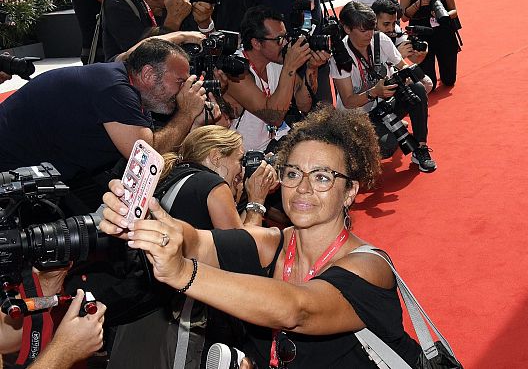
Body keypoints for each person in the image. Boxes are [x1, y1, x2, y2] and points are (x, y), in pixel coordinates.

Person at [98, 106, 423, 367]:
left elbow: (297, 309)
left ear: (351, 191)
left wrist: (184, 272)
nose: (303, 188)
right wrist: (158, 224)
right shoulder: (269, 243)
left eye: (323, 177)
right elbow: (197, 242)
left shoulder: (370, 267)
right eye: (293, 173)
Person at [107, 125, 278, 369]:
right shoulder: (213, 184)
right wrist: (257, 201)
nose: (242, 170)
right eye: (239, 160)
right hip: (181, 315)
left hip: (142, 308)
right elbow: (243, 255)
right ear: (217, 156)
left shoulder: (171, 176)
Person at [0, 38, 211, 214]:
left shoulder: (124, 80)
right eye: (180, 81)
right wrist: (186, 113)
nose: (185, 90)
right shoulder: (113, 88)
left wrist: (195, 122)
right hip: (12, 172)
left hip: (50, 173)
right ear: (147, 74)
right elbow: (146, 156)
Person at [331, 1, 436, 173]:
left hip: (384, 105)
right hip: (357, 117)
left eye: (371, 28)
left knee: (417, 89)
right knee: (387, 147)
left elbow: (403, 66)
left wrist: (417, 76)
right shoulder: (340, 55)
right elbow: (348, 102)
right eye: (363, 30)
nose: (369, 35)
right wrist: (374, 92)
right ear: (347, 29)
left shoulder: (380, 39)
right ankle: (354, 146)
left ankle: (420, 149)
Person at [224, 5, 330, 153]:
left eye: (286, 37)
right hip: (242, 157)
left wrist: (312, 68)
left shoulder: (276, 62)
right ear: (256, 43)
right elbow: (273, 117)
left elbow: (304, 104)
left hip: (273, 148)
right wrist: (290, 67)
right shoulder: (235, 69)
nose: (286, 44)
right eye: (279, 39)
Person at [399, 0, 461, 89]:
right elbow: (403, 17)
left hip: (444, 33)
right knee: (430, 84)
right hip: (421, 35)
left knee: (449, 80)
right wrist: (418, 4)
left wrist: (443, 15)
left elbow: (454, 11)